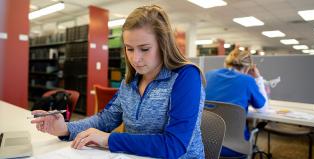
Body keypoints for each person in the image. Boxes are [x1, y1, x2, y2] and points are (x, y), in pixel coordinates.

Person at [31, 5, 206, 159]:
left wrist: (108, 139)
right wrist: (66, 128)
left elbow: (174, 145)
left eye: (144, 49)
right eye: (129, 49)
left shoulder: (186, 76)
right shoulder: (130, 82)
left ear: (164, 44)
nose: (135, 59)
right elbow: (105, 120)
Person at [205, 47, 268, 158]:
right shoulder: (247, 80)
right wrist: (258, 78)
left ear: (226, 62)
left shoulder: (207, 75)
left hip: (205, 143)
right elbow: (262, 108)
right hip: (236, 147)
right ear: (248, 67)